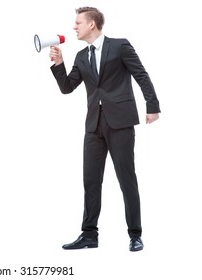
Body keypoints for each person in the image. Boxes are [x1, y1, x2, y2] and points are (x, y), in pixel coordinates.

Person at [49, 7, 160, 252]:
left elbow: (141, 75)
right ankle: (89, 235)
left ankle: (135, 234)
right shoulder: (80, 56)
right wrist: (59, 64)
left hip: (120, 122)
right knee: (90, 181)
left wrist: (152, 106)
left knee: (126, 179)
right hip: (94, 125)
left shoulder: (120, 46)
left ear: (92, 24)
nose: (74, 27)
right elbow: (67, 87)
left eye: (78, 22)